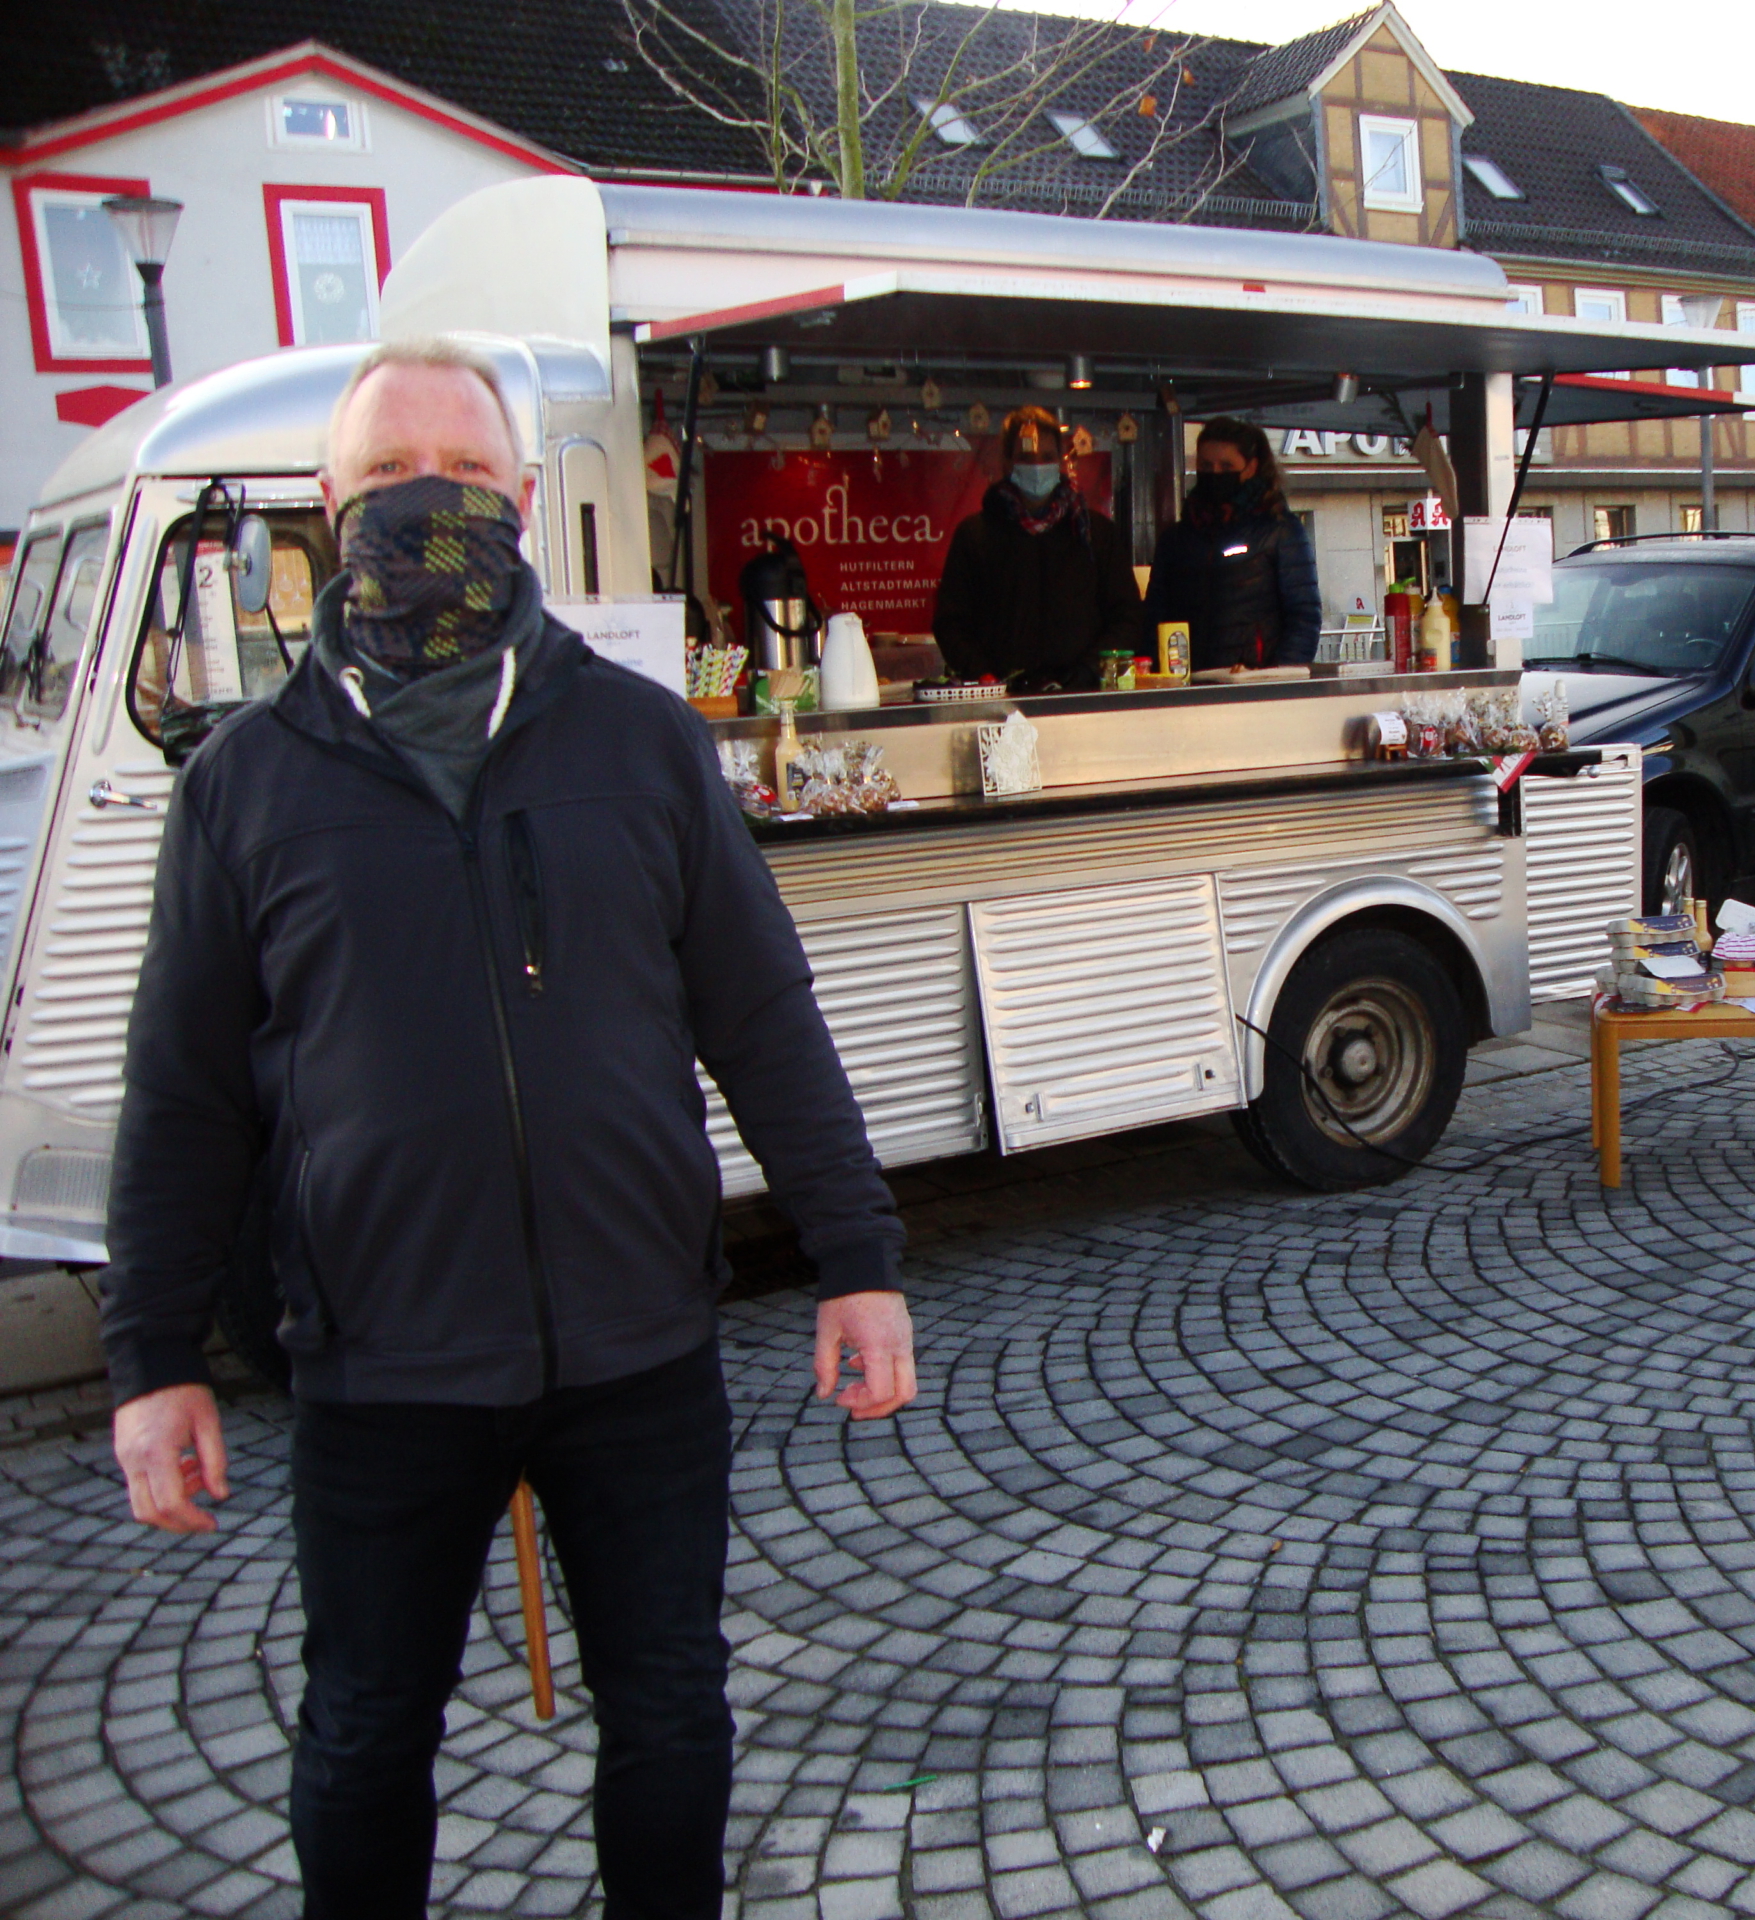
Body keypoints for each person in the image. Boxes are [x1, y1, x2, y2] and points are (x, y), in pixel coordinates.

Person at [100, 337, 917, 1920]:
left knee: (673, 1715)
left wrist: (857, 1256)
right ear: (328, 507)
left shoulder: (641, 743)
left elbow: (762, 1019)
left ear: (526, 502)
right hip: (381, 1363)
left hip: (635, 1345)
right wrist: (152, 1358)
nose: (432, 502)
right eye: (396, 475)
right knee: (361, 1739)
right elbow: (185, 1095)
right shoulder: (245, 787)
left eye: (467, 476)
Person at [933, 404, 1145, 689]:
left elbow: (1126, 617)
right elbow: (951, 623)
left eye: (1046, 457)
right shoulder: (975, 536)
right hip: (1002, 698)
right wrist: (982, 674)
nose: (1037, 467)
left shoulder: (1096, 534)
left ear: (1060, 460)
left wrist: (1089, 670)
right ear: (1007, 462)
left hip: (1082, 697)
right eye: (1026, 457)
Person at [1143, 417, 1321, 670]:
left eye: (1226, 466)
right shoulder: (1177, 538)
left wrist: (1278, 676)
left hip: (1252, 684)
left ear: (1251, 467)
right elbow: (1155, 617)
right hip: (1186, 683)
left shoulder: (1280, 530)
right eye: (1206, 465)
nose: (1215, 474)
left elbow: (1304, 615)